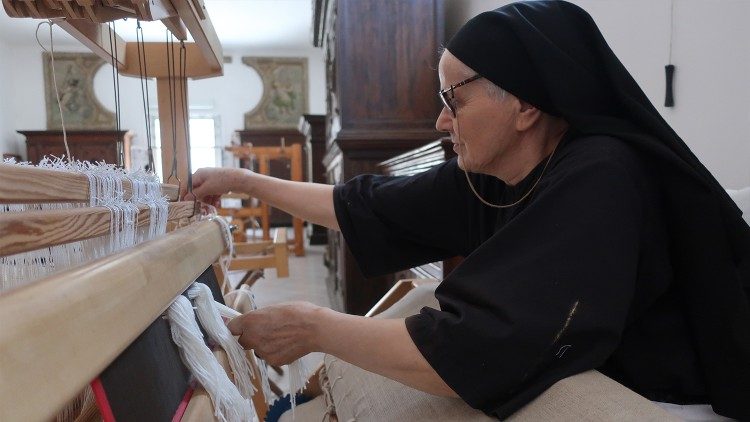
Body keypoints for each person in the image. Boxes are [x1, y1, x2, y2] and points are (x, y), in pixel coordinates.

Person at [186, 1, 750, 419]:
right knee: (428, 305)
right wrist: (241, 181)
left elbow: (477, 352)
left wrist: (315, 328)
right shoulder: (495, 173)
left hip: (661, 396)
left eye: (453, 99)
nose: (440, 121)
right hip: (591, 365)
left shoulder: (602, 175)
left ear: (525, 103)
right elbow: (363, 205)